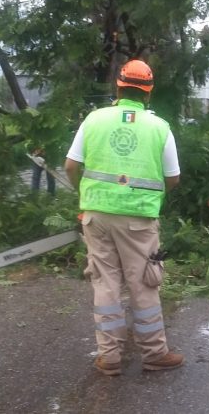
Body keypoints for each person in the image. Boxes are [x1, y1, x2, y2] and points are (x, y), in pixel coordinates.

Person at [64, 60, 184, 376]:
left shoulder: (94, 119)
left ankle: (110, 356)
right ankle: (154, 353)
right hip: (139, 218)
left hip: (97, 215)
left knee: (105, 282)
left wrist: (86, 197)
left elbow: (70, 166)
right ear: (148, 91)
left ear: (118, 86)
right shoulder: (159, 127)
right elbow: (173, 177)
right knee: (144, 283)